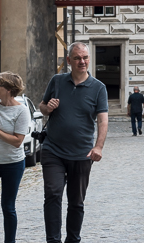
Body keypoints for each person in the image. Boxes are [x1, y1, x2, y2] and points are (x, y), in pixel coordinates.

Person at [39, 42, 109, 243]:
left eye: (85, 57)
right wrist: (48, 107)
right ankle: (53, 240)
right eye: (77, 58)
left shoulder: (98, 88)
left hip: (82, 153)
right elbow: (42, 106)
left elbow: (102, 120)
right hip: (53, 149)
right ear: (68, 60)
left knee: (76, 202)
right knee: (52, 194)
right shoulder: (57, 81)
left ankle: (73, 240)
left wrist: (99, 146)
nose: (82, 61)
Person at [0, 71, 33, 243]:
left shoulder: (22, 111)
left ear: (9, 89)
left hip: (13, 164)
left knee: (8, 207)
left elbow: (17, 141)